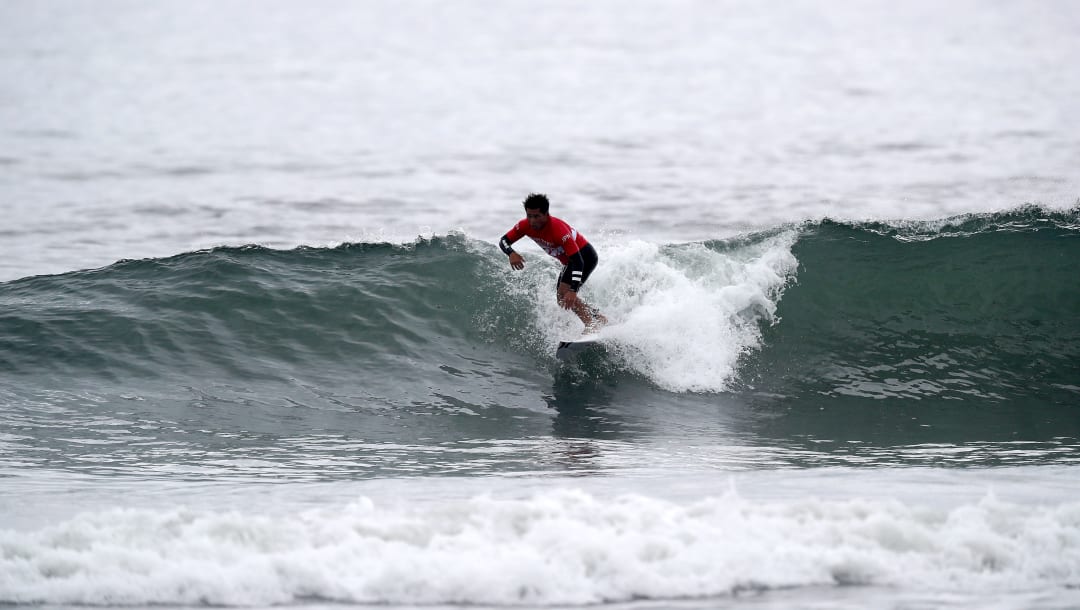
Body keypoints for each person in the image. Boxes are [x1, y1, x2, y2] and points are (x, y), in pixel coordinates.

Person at [499, 193, 608, 331]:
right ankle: (598, 318)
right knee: (562, 299)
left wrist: (573, 290)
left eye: (536, 216)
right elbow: (503, 241)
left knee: (566, 294)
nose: (532, 221)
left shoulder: (558, 230)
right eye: (529, 216)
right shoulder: (525, 226)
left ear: (546, 214)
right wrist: (511, 253)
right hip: (570, 261)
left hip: (584, 256)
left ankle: (591, 325)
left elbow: (578, 261)